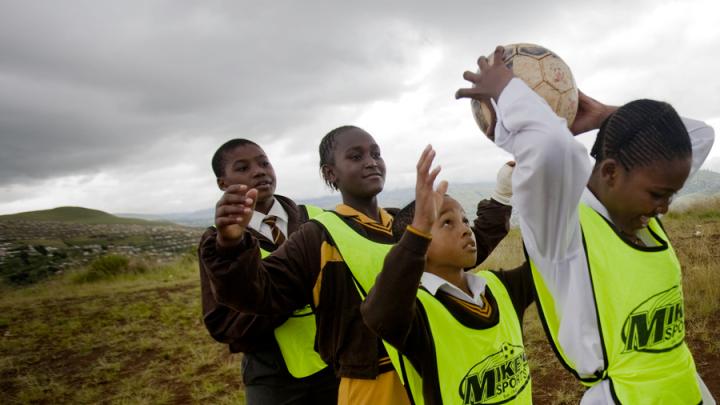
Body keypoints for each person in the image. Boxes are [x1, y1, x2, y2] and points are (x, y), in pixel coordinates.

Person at [456, 46, 716, 404]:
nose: (665, 208)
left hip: (688, 388)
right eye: (658, 195)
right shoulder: (562, 229)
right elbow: (549, 146)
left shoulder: (642, 211)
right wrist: (507, 90)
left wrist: (607, 118)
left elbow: (700, 135)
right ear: (610, 172)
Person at [199, 126, 513, 405]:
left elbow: (462, 250)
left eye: (376, 153)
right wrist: (231, 246)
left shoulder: (405, 224)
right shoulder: (317, 235)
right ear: (330, 173)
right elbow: (257, 294)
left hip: (423, 366)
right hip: (363, 381)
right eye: (355, 156)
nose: (370, 161)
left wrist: (502, 195)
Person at [361, 145, 534, 405]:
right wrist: (419, 227)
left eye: (465, 220)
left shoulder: (499, 288)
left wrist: (524, 190)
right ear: (421, 242)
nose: (466, 230)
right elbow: (378, 315)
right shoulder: (417, 314)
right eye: (446, 223)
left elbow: (549, 264)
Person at [199, 138, 338, 404]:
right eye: (242, 168)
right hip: (271, 376)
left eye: (264, 163)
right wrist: (289, 296)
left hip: (335, 364)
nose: (259, 171)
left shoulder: (317, 219)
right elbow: (221, 322)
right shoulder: (219, 243)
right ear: (223, 184)